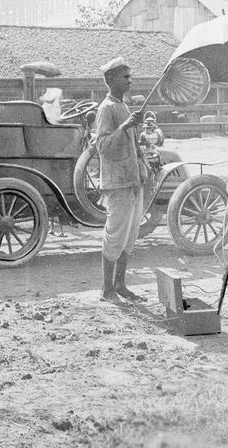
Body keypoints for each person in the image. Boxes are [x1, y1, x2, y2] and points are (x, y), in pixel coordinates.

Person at [93, 56, 146, 303]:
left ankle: (121, 284)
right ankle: (107, 289)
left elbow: (132, 145)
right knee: (115, 234)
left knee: (129, 236)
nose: (130, 80)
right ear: (111, 80)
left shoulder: (122, 106)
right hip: (117, 183)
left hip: (132, 181)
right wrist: (125, 127)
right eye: (126, 77)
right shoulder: (106, 108)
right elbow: (102, 146)